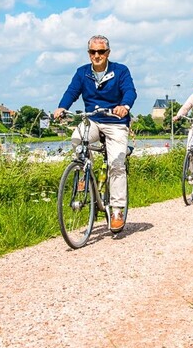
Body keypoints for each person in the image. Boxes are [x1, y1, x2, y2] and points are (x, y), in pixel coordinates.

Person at [53, 35, 137, 232]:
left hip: (115, 122)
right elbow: (72, 92)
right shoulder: (82, 73)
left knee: (117, 165)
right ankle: (85, 171)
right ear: (88, 53)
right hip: (92, 120)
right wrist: (61, 107)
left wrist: (124, 106)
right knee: (77, 139)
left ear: (108, 53)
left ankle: (116, 210)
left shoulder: (120, 71)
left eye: (101, 51)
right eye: (93, 52)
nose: (97, 55)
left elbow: (130, 91)